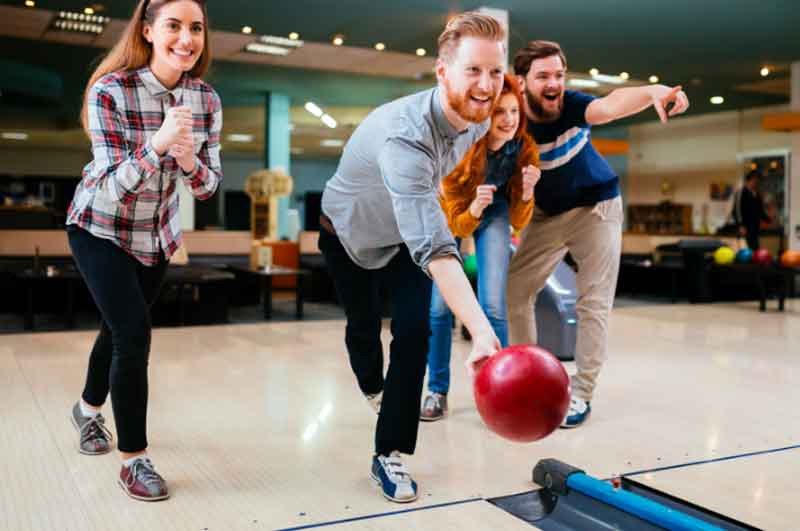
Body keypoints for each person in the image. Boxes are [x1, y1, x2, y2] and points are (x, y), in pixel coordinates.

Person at [319, 12, 505, 503]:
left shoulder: (475, 119)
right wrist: (482, 329)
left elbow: (428, 232)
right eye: (473, 71)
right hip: (346, 236)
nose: (486, 86)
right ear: (442, 72)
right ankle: (373, 387)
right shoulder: (405, 136)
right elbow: (439, 250)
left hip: (402, 238)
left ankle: (389, 453)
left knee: (415, 332)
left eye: (495, 72)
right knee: (363, 328)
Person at [66, 0, 221, 501]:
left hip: (155, 237)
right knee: (134, 333)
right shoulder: (111, 90)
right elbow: (110, 188)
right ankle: (134, 460)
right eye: (174, 26)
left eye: (195, 28)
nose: (187, 38)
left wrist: (189, 158)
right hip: (99, 227)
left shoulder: (207, 100)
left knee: (117, 330)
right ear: (149, 31)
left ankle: (88, 412)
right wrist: (155, 146)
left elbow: (207, 188)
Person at [499, 40, 689, 429]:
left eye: (558, 75)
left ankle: (581, 393)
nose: (553, 83)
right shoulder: (511, 118)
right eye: (543, 77)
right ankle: (528, 377)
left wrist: (652, 92)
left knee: (593, 302)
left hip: (597, 208)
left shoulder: (571, 105)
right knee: (515, 291)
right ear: (521, 82)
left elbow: (611, 104)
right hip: (548, 215)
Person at [420, 73, 540, 422]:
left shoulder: (524, 148)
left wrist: (529, 191)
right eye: (499, 111)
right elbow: (455, 225)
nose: (508, 120)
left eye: (514, 111)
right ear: (484, 113)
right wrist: (473, 208)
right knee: (440, 307)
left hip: (496, 208)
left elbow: (519, 219)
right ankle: (437, 391)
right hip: (452, 210)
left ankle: (498, 392)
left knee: (492, 304)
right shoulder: (461, 149)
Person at [733, 169, 771, 250]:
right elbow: (737, 210)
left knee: (755, 248)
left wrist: (768, 220)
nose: (757, 182)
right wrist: (740, 225)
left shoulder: (757, 194)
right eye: (756, 179)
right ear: (750, 179)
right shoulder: (741, 192)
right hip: (745, 227)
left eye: (758, 180)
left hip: (755, 226)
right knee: (746, 249)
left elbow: (760, 210)